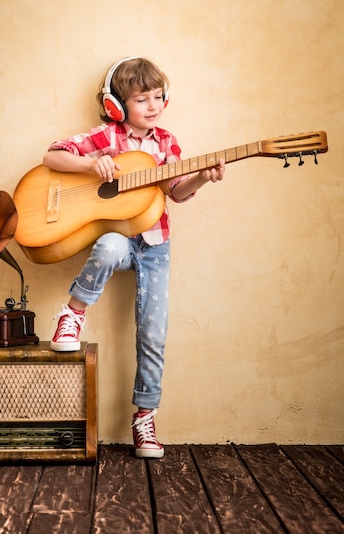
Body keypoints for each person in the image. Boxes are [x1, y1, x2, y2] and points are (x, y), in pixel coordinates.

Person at [43, 57, 225, 458]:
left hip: (154, 243)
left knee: (153, 333)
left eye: (158, 97)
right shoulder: (107, 137)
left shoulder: (166, 143)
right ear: (117, 105)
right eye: (142, 99)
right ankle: (72, 315)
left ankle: (144, 417)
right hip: (120, 239)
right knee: (107, 245)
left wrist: (201, 177)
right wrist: (92, 164)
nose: (154, 105)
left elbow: (176, 191)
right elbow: (53, 157)